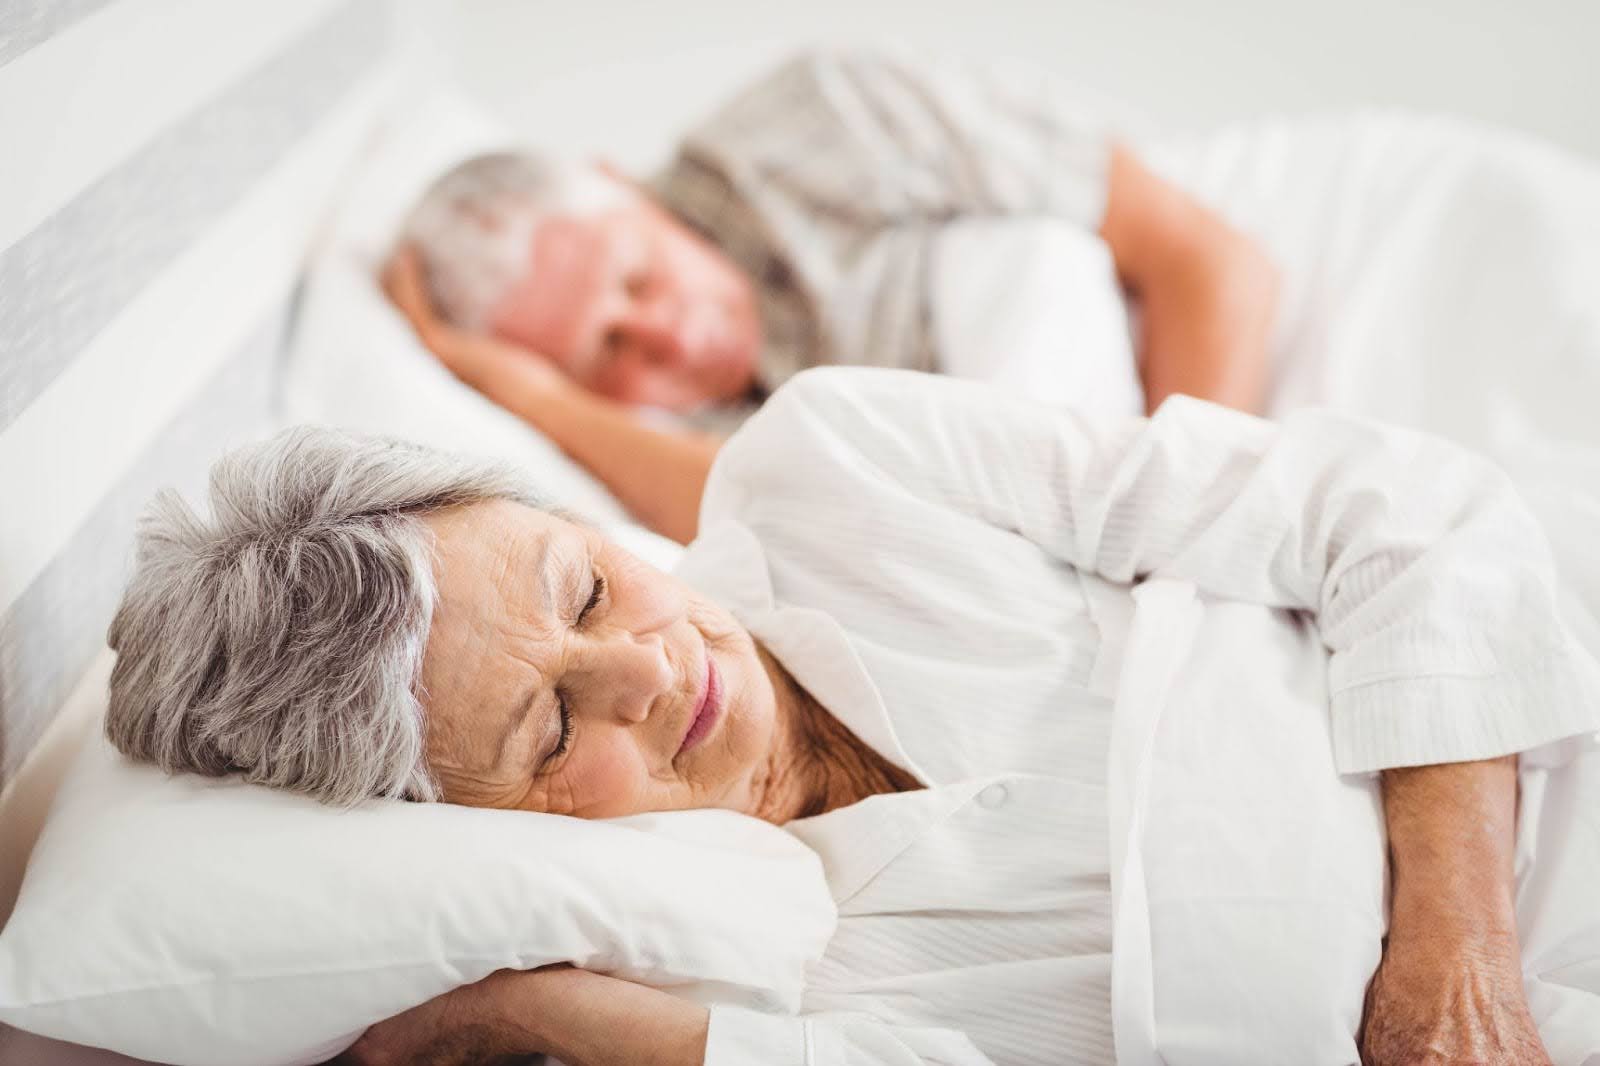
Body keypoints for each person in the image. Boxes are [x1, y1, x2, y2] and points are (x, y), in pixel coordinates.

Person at [103, 368, 1600, 1065]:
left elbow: (1394, 509)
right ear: (474, 830)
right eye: (553, 734)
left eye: (585, 585)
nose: (643, 668)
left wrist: (1456, 948)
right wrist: (562, 1018)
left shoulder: (841, 463)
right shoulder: (720, 973)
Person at [385, 50, 1280, 544]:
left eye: (638, 276)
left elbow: (1211, 261)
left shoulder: (825, 122)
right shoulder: (639, 440)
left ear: (617, 182)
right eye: (606, 350)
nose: (669, 337)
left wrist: (1183, 535)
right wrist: (534, 399)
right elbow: (769, 500)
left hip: (1244, 315)